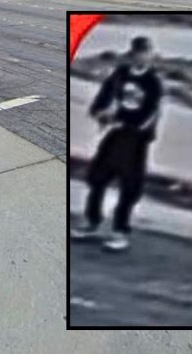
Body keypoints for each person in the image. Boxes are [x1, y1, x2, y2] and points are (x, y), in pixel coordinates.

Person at [71, 36, 163, 252]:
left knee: (129, 186)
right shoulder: (119, 75)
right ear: (132, 54)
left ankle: (120, 231)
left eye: (146, 53)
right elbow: (101, 100)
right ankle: (92, 222)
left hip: (135, 139)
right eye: (139, 52)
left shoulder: (153, 83)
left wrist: (121, 120)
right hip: (115, 134)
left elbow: (149, 115)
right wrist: (100, 113)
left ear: (150, 56)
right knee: (97, 177)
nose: (142, 57)